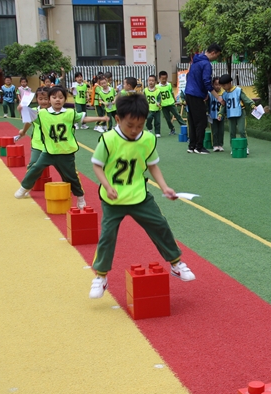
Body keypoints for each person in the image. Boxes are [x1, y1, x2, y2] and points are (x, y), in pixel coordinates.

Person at [88, 93, 195, 299]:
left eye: (139, 125)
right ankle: (101, 276)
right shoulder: (108, 140)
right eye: (130, 125)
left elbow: (152, 165)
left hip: (139, 195)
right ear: (118, 119)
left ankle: (176, 263)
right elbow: (97, 165)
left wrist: (164, 187)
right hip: (113, 199)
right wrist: (107, 186)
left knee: (160, 225)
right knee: (107, 236)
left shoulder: (147, 139)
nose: (134, 130)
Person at [13, 86, 109, 209]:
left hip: (65, 152)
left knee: (71, 176)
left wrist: (100, 118)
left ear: (65, 99)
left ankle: (80, 197)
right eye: (54, 97)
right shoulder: (41, 114)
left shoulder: (70, 113)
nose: (57, 100)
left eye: (60, 97)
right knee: (35, 167)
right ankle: (24, 187)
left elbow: (83, 118)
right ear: (49, 100)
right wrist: (21, 109)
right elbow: (28, 118)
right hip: (49, 151)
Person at [184, 43, 224, 154]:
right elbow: (207, 82)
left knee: (193, 121)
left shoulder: (195, 60)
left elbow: (191, 77)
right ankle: (199, 147)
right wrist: (218, 98)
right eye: (217, 56)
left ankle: (191, 146)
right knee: (201, 121)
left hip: (189, 93)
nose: (216, 58)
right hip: (196, 95)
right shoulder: (206, 64)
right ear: (213, 53)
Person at [218, 74, 257, 154]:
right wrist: (220, 114)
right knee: (232, 132)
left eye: (224, 85)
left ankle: (245, 147)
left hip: (240, 113)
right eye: (222, 86)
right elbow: (223, 106)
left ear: (229, 83)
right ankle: (234, 147)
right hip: (230, 115)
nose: (223, 87)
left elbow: (245, 99)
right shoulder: (224, 94)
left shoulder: (238, 90)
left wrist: (252, 104)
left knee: (242, 131)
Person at [15, 87, 50, 169]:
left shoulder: (55, 111)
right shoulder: (34, 111)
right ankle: (30, 177)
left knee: (64, 166)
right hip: (38, 143)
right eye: (40, 99)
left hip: (54, 144)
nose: (43, 101)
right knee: (33, 165)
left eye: (46, 99)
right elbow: (28, 121)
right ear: (36, 99)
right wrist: (23, 131)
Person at [157, 70, 186, 136]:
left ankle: (184, 126)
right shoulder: (157, 87)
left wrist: (175, 100)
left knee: (177, 115)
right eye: (162, 78)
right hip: (163, 105)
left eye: (165, 78)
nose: (164, 80)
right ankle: (172, 129)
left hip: (171, 103)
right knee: (167, 118)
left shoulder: (169, 85)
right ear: (159, 78)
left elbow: (172, 93)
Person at [208, 77, 224, 151]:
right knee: (214, 131)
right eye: (216, 84)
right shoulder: (210, 94)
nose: (218, 86)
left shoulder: (223, 94)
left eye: (219, 84)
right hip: (212, 115)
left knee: (221, 131)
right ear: (213, 85)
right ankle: (215, 145)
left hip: (221, 116)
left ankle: (220, 145)